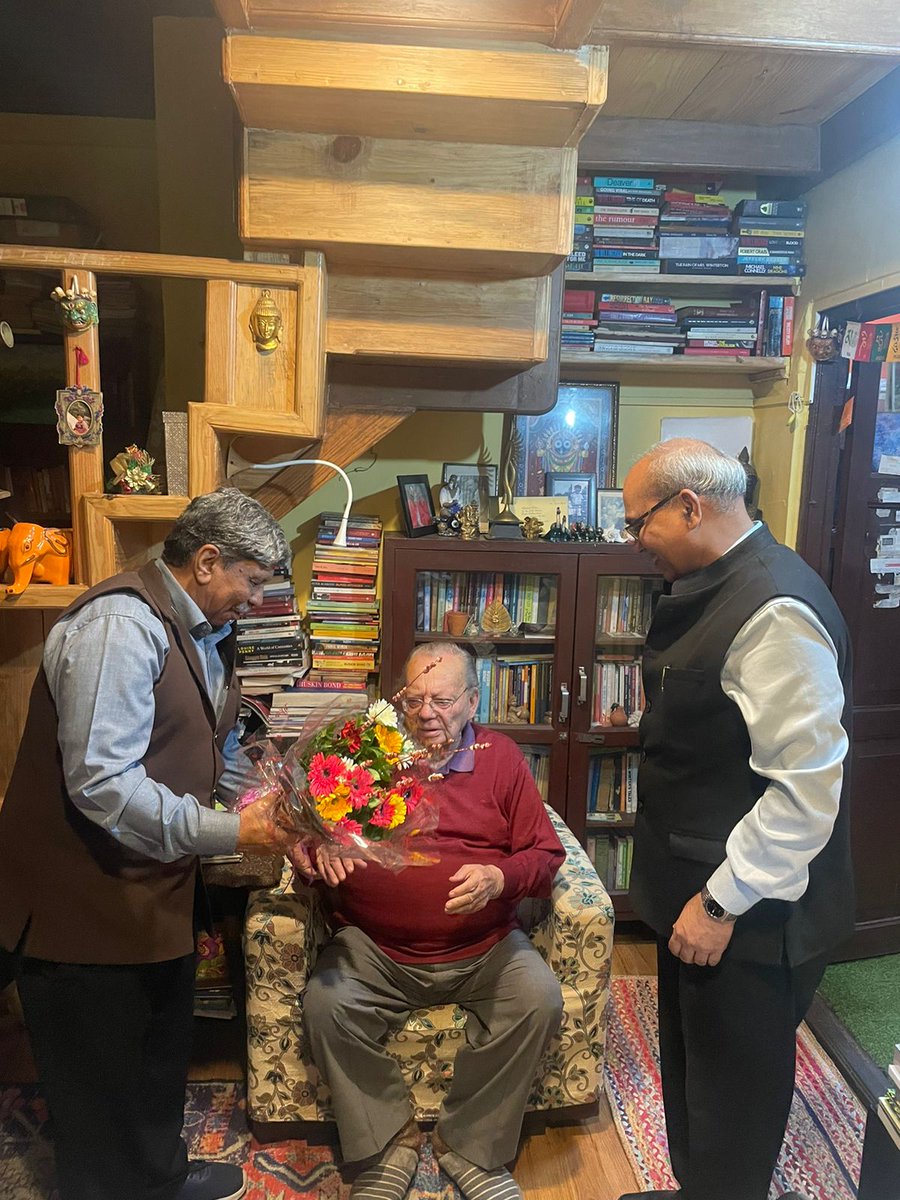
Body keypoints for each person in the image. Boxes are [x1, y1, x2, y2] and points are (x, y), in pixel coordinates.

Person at [0, 487, 299, 1200]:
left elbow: (208, 746)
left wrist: (269, 794)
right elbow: (103, 785)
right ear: (205, 560)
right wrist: (234, 831)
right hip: (80, 905)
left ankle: (160, 1177)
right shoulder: (119, 626)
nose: (257, 601)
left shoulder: (204, 632)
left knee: (156, 1057)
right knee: (98, 1088)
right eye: (252, 583)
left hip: (150, 890)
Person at [617, 440, 853, 1200]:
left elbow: (805, 789)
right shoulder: (717, 583)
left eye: (637, 523)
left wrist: (722, 903)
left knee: (734, 1105)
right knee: (694, 1076)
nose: (633, 542)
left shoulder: (775, 610)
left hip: (749, 914)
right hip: (701, 893)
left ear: (690, 505)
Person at [293, 642, 565, 1200]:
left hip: (485, 945)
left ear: (471, 702)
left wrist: (500, 879)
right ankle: (389, 1144)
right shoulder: (364, 757)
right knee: (325, 1005)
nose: (425, 714)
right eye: (413, 700)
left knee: (539, 998)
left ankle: (469, 1149)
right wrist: (316, 855)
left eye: (441, 700)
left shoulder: (502, 757)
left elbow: (544, 856)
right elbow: (308, 845)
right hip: (373, 947)